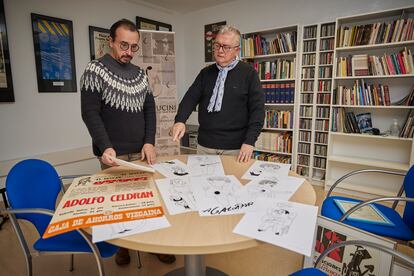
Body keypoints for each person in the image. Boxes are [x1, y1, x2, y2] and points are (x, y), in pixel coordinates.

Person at [80, 19, 175, 266]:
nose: (129, 52)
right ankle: (122, 247)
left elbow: (150, 111)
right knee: (119, 208)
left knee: (149, 203)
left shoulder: (140, 75)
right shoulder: (95, 70)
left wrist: (149, 142)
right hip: (114, 156)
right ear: (110, 41)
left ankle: (154, 244)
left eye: (134, 47)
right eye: (124, 45)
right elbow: (90, 113)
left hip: (142, 153)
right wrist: (105, 146)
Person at [171, 25, 265, 162]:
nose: (220, 51)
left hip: (236, 148)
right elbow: (189, 99)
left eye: (226, 47)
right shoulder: (205, 73)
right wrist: (180, 120)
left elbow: (258, 111)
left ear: (237, 50)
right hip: (205, 146)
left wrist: (250, 141)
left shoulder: (249, 73)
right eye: (217, 45)